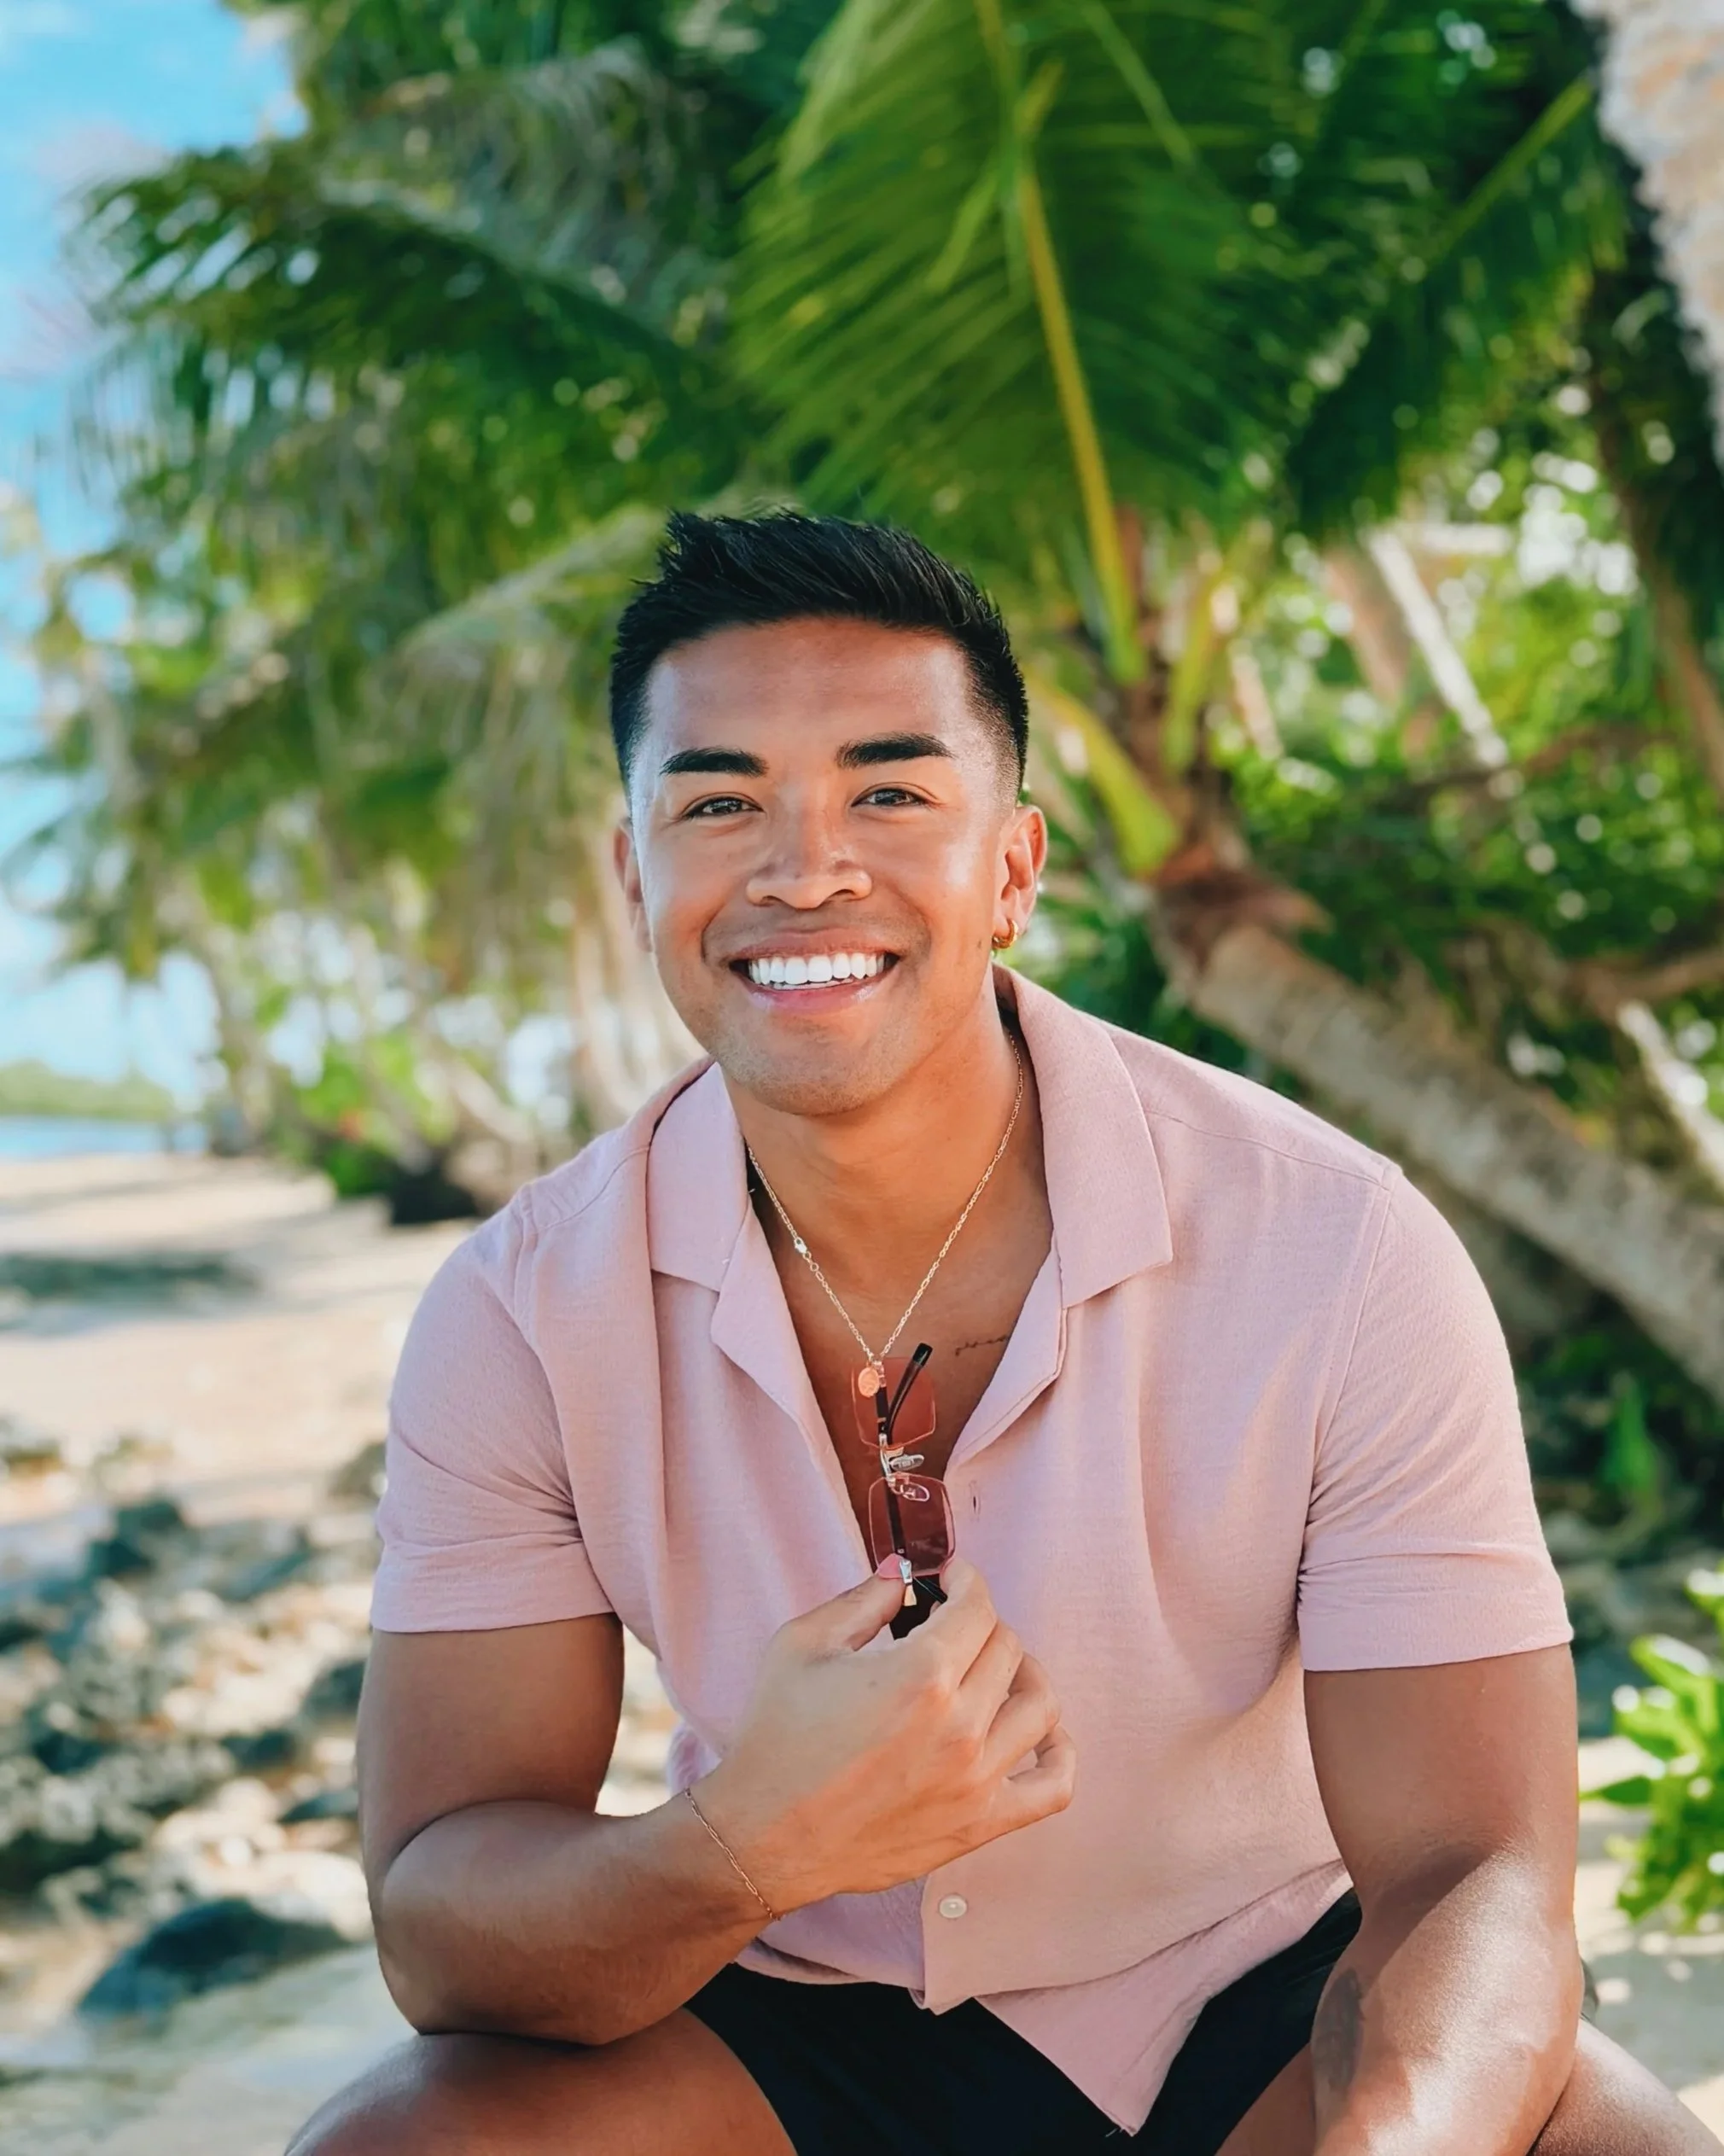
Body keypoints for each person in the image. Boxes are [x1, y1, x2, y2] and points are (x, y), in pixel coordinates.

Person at [292, 513, 1720, 2156]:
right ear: (637, 875)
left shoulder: (1335, 1245)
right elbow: (439, 1924)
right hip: (787, 2028)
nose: (802, 865)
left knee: (1617, 2146)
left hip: (1255, 2007)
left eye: (890, 792)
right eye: (718, 801)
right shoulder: (520, 1313)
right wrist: (748, 1844)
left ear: (1018, 868)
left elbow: (1478, 1871)